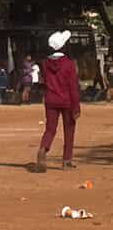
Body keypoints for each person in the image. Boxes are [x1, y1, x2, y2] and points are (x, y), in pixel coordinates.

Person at [35, 31, 81, 171]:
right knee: (69, 130)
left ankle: (43, 148)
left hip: (50, 100)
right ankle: (66, 160)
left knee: (50, 129)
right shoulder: (69, 64)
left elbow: (43, 82)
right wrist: (76, 107)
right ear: (64, 47)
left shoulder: (44, 64)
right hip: (66, 100)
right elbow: (73, 87)